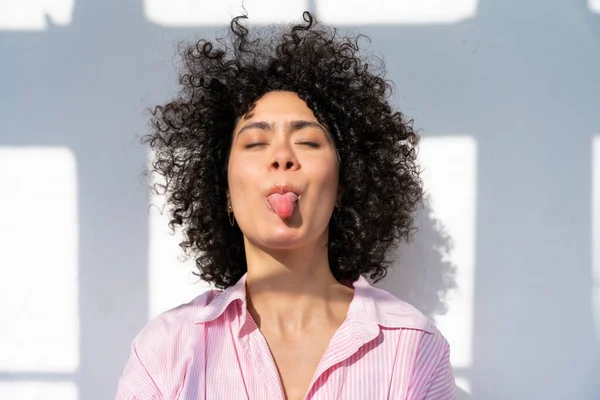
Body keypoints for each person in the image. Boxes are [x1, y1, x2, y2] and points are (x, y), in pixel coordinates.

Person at [116, 11, 457, 400]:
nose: (281, 156)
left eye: (309, 142)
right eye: (255, 143)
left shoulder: (414, 348)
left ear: (345, 184)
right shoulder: (166, 350)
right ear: (223, 190)